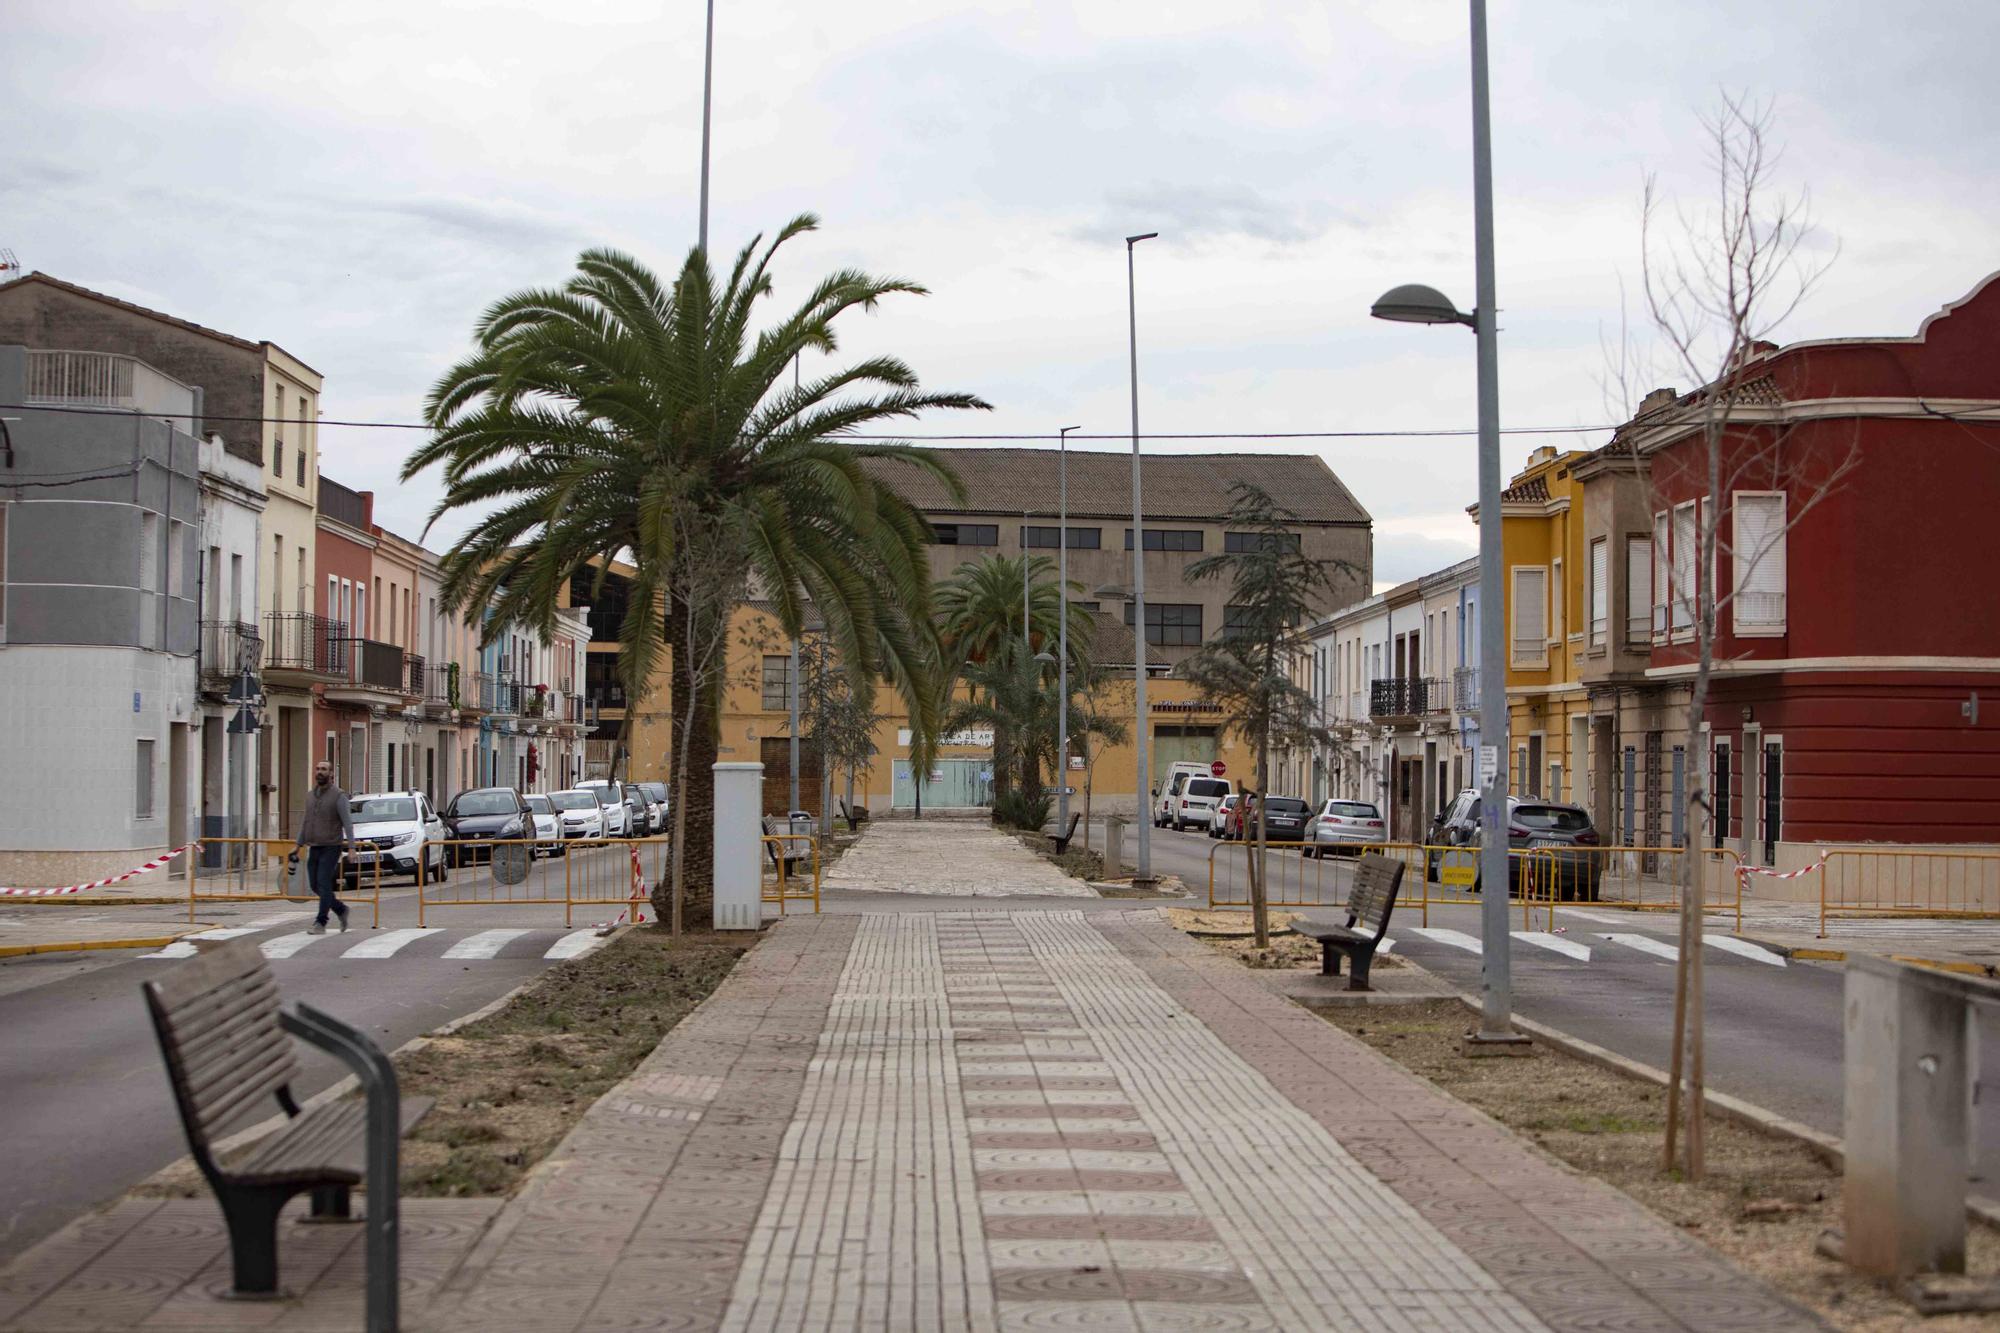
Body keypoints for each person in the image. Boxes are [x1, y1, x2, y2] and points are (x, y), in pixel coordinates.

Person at [293, 760, 354, 934]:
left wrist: (351, 847)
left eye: (324, 769)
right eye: (318, 769)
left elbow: (347, 823)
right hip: (315, 846)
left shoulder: (339, 795)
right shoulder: (310, 795)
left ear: (331, 774)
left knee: (323, 883)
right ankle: (341, 909)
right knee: (315, 886)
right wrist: (297, 845)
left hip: (331, 846)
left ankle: (321, 922)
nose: (320, 772)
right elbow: (306, 822)